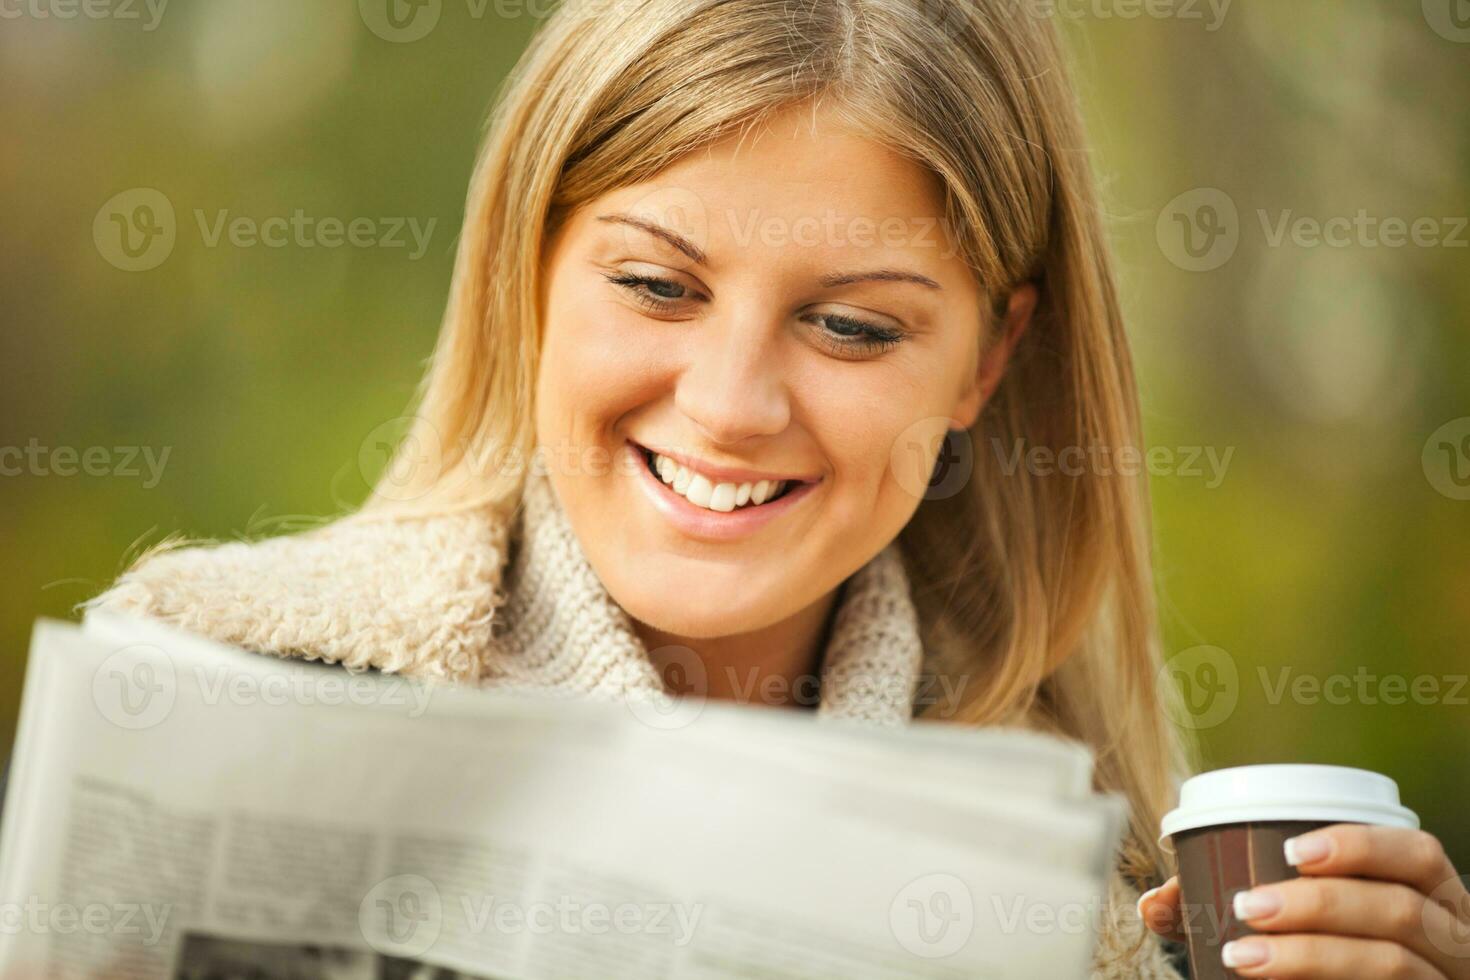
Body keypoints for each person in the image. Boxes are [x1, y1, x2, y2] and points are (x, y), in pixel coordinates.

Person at [81, 1, 1467, 978]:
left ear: (986, 361)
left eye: (852, 328)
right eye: (656, 286)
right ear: (527, 273)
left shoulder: (1113, 908)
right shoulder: (218, 681)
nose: (731, 405)